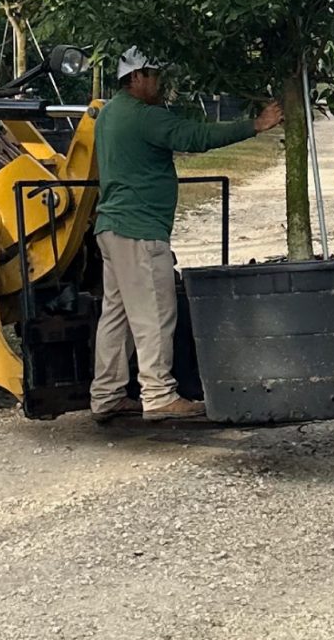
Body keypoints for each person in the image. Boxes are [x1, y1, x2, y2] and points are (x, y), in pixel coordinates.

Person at [90, 49, 283, 424]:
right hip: (139, 232)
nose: (161, 84)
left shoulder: (109, 113)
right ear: (137, 78)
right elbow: (194, 136)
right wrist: (253, 126)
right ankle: (159, 394)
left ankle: (107, 393)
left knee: (116, 316)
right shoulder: (144, 117)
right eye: (155, 76)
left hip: (112, 228)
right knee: (155, 315)